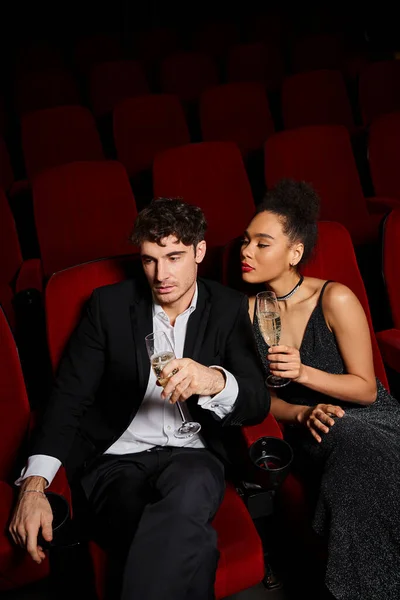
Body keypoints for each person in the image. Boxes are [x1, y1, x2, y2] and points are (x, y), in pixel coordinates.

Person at [9, 198, 270, 600]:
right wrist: (34, 487)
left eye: (174, 257)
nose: (161, 275)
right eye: (149, 260)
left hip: (193, 453)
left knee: (185, 502)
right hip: (116, 459)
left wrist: (214, 380)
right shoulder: (108, 307)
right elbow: (67, 398)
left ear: (200, 251)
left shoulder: (228, 307)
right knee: (178, 542)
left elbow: (257, 401)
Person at [240, 179, 400, 600]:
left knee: (353, 435)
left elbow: (366, 390)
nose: (246, 251)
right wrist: (301, 414)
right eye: (246, 241)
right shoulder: (245, 312)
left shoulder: (336, 298)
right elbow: (258, 399)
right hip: (308, 429)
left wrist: (303, 373)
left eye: (262, 243)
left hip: (369, 417)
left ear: (294, 253)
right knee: (341, 433)